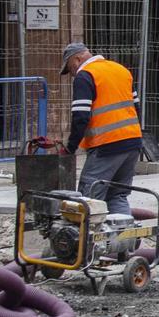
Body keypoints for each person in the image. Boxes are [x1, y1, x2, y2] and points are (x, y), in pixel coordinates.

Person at [60, 42, 143, 217]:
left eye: (70, 69)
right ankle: (123, 240)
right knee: (117, 195)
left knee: (89, 195)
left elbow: (81, 117)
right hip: (133, 142)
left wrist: (70, 148)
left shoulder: (85, 76)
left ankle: (87, 242)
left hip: (107, 145)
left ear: (76, 60)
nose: (72, 74)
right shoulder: (120, 70)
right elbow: (136, 108)